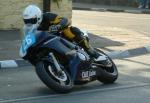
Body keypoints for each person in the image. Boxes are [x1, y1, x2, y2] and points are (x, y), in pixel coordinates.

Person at [22, 5, 109, 66]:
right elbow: (29, 38)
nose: (29, 23)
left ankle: (94, 53)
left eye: (32, 20)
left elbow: (65, 20)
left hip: (62, 38)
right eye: (27, 21)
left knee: (70, 30)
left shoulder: (48, 16)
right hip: (50, 44)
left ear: (38, 17)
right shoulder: (28, 29)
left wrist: (58, 26)